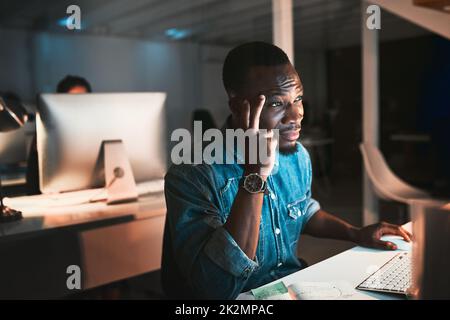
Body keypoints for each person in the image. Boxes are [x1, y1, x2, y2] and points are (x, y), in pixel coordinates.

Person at [161, 42, 412, 300]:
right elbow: (215, 288)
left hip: (291, 285)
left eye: (298, 98)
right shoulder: (193, 173)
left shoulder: (297, 155)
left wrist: (354, 233)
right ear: (237, 108)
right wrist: (255, 174)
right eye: (276, 104)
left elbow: (303, 210)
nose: (297, 114)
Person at [26, 75, 91, 195]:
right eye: (72, 101)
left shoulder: (95, 132)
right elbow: (33, 183)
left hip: (91, 195)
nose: (78, 106)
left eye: (83, 100)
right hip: (55, 199)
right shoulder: (47, 133)